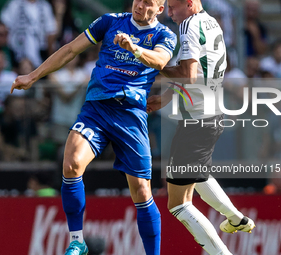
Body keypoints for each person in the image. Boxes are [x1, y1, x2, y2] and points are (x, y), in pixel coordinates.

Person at [10, 0, 177, 254]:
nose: (140, 5)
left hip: (130, 114)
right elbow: (69, 50)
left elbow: (161, 61)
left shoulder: (164, 35)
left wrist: (134, 48)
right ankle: (77, 241)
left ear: (160, 9)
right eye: (138, 0)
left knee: (142, 192)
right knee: (71, 163)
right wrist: (32, 76)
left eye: (148, 2)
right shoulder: (109, 22)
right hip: (97, 109)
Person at [147, 0, 255, 254]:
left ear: (190, 4)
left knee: (178, 204)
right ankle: (236, 218)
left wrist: (155, 63)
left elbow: (189, 74)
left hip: (197, 122)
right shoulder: (212, 23)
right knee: (197, 175)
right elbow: (198, 70)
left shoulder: (188, 26)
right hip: (210, 115)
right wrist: (166, 98)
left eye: (173, 7)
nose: (169, 13)